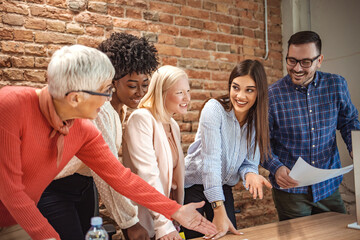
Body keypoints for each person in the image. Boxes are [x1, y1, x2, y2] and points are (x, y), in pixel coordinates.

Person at [0, 45, 218, 240]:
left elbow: (121, 178)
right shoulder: (10, 106)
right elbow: (10, 190)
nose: (108, 98)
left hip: (13, 217)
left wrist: (174, 210)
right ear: (75, 98)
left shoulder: (84, 130)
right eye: (105, 90)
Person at [38, 32, 158, 240]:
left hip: (85, 187)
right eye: (132, 85)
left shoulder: (119, 109)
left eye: (145, 84)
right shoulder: (100, 110)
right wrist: (130, 222)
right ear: (113, 81)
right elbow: (108, 171)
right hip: (54, 188)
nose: (140, 92)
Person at [262, 31, 360, 221]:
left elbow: (349, 122)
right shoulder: (272, 96)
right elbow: (260, 142)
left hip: (328, 187)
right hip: (291, 193)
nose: (297, 68)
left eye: (306, 62)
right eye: (291, 61)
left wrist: (355, 147)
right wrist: (276, 167)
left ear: (320, 60)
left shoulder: (337, 85)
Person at [182, 60, 272, 239]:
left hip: (222, 187)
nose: (240, 96)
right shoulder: (214, 110)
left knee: (226, 235)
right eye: (235, 87)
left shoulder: (257, 120)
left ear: (259, 92)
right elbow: (211, 163)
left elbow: (248, 163)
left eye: (249, 90)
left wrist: (250, 174)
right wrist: (218, 209)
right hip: (193, 187)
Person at [122, 65, 190, 240]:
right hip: (148, 221)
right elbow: (148, 174)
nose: (187, 98)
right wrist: (163, 223)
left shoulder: (173, 125)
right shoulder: (141, 119)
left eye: (188, 91)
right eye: (180, 92)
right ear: (162, 92)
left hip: (170, 218)